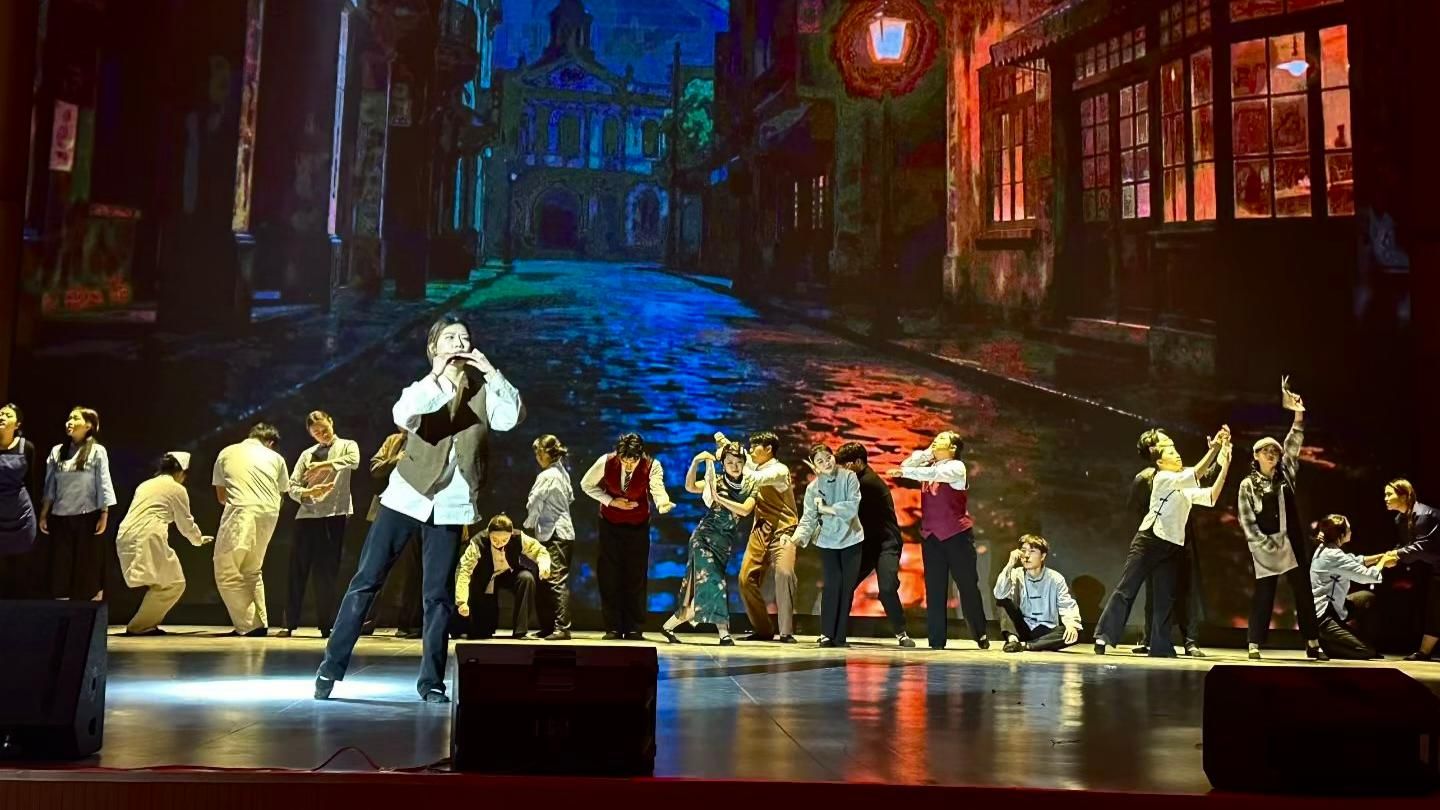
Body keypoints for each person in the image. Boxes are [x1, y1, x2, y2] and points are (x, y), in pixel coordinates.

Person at [317, 316, 523, 702]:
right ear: (433, 348)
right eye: (450, 337)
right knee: (367, 580)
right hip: (406, 496)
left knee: (438, 597)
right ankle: (331, 666)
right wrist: (437, 376)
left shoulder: (483, 392)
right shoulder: (422, 388)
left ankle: (431, 683)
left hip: (451, 505)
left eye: (464, 338)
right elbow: (404, 416)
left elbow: (510, 418)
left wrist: (491, 372)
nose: (458, 343)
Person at [1094, 425, 1233, 657]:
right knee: (1127, 588)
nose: (1176, 453)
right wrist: (1215, 448)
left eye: (1175, 449)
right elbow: (1197, 473)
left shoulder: (1182, 482)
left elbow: (1210, 496)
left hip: (1172, 545)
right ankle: (1104, 635)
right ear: (1158, 459)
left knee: (1165, 597)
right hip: (1149, 540)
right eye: (1169, 450)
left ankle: (1160, 645)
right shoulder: (1163, 477)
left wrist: (1224, 464)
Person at [1237, 378, 1326, 661]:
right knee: (1264, 593)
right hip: (1266, 545)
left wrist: (1298, 414)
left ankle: (1313, 642)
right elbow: (1247, 520)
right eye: (1266, 450)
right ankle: (1254, 643)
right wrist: (1263, 544)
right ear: (1256, 455)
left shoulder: (1286, 473)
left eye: (1274, 451)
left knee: (1303, 591)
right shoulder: (1247, 485)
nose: (1272, 454)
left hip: (1292, 541)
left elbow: (1293, 443)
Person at [889, 431, 988, 650]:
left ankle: (979, 632)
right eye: (935, 439)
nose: (935, 441)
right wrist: (926, 454)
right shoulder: (929, 466)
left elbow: (930, 473)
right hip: (931, 536)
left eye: (941, 439)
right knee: (934, 589)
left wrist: (907, 470)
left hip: (957, 536)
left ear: (953, 448)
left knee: (967, 585)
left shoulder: (956, 467)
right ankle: (936, 640)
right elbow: (908, 465)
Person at [1129, 428, 1220, 657]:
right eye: (1165, 443)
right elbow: (1135, 508)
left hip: (1181, 539)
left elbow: (1205, 478)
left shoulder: (1179, 472)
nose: (1172, 446)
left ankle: (1190, 641)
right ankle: (1151, 639)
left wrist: (1220, 454)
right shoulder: (1145, 478)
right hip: (1156, 540)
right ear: (1154, 451)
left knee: (1185, 590)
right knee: (1155, 592)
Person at [581, 433, 674, 640]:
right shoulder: (606, 462)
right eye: (625, 460)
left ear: (640, 455)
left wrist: (663, 503)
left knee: (635, 576)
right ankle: (613, 627)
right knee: (609, 575)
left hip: (638, 526)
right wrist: (610, 501)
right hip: (609, 525)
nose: (629, 465)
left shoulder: (652, 465)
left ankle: (634, 627)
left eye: (633, 460)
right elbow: (586, 485)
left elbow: (657, 488)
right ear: (619, 455)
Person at [661, 439, 754, 646]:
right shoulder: (716, 482)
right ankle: (724, 634)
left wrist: (719, 499)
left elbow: (745, 510)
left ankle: (668, 626)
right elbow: (690, 486)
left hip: (724, 543)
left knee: (705, 589)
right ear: (723, 464)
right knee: (715, 584)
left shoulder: (750, 485)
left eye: (738, 462)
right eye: (729, 463)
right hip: (703, 539)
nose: (734, 466)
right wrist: (696, 462)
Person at [280, 411, 360, 639]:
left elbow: (354, 461)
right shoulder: (307, 454)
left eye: (324, 429)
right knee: (297, 570)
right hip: (307, 516)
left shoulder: (347, 445)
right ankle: (289, 624)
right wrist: (307, 493)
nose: (322, 434)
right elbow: (292, 485)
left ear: (331, 422)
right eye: (316, 433)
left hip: (334, 514)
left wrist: (327, 465)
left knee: (327, 572)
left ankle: (326, 625)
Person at [116, 452, 213, 635]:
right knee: (173, 583)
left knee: (164, 583)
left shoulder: (145, 485)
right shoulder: (176, 489)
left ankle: (143, 625)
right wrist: (198, 540)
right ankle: (140, 626)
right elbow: (185, 522)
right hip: (148, 535)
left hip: (126, 534)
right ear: (181, 472)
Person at [722, 430, 800, 643]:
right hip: (760, 530)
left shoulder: (779, 470)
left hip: (783, 531)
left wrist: (737, 463)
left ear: (768, 449)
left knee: (784, 574)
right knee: (745, 578)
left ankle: (786, 632)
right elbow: (744, 464)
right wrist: (726, 445)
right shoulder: (754, 466)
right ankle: (763, 629)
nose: (750, 451)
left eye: (754, 446)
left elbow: (753, 476)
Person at [212, 422, 289, 636]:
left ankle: (250, 625)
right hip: (270, 513)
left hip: (241, 510)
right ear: (270, 443)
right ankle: (260, 623)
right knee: (252, 570)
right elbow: (282, 492)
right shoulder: (276, 458)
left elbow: (221, 497)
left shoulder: (227, 452)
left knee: (226, 570)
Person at [836, 441, 914, 647]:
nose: (842, 469)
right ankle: (835, 632)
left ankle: (901, 633)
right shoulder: (855, 479)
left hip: (886, 543)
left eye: (845, 465)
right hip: (866, 544)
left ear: (858, 462)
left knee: (887, 588)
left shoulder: (867, 482)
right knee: (844, 584)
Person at [40, 406, 117, 600]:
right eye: (69, 418)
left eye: (75, 418)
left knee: (86, 564)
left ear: (88, 425)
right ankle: (61, 604)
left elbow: (103, 482)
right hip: (60, 515)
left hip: (87, 515)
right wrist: (44, 513)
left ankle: (87, 606)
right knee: (61, 564)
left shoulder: (97, 451)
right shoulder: (57, 451)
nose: (69, 422)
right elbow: (50, 484)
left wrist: (104, 513)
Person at [793, 443, 864, 648]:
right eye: (820, 461)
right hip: (827, 540)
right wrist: (797, 537)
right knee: (832, 585)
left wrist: (828, 509)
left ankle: (840, 636)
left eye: (828, 457)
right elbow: (808, 518)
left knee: (847, 588)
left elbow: (852, 507)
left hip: (851, 539)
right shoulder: (813, 488)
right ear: (815, 466)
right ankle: (826, 633)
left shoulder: (849, 477)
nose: (826, 463)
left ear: (834, 457)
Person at [1310, 514, 1396, 660]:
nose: (1351, 531)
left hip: (1336, 607)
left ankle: (1358, 639)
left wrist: (1381, 556)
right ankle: (1324, 645)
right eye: (1348, 529)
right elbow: (1367, 576)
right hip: (1325, 616)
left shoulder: (1326, 549)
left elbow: (1354, 561)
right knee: (1365, 651)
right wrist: (1383, 563)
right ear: (1341, 534)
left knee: (1367, 597)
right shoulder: (1332, 555)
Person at [362, 431, 423, 638]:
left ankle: (409, 624)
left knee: (413, 571)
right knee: (376, 566)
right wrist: (396, 459)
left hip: (416, 511)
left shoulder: (428, 440)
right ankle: (366, 620)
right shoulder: (393, 441)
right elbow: (375, 468)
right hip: (388, 509)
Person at [454, 514, 552, 639]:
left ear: (511, 534)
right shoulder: (478, 542)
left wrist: (544, 565)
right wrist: (462, 601)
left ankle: (520, 631)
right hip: (485, 578)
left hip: (507, 574)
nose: (499, 543)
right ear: (488, 533)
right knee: (481, 632)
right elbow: (464, 571)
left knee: (526, 578)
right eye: (494, 539)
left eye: (505, 540)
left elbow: (539, 550)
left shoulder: (518, 537)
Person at [993, 535, 1081, 652]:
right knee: (1003, 601)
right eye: (1023, 551)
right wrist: (1009, 565)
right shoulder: (1016, 573)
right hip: (1021, 628)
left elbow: (1066, 604)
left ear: (1042, 556)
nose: (1026, 555)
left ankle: (1025, 645)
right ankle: (1013, 640)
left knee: (1074, 633)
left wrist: (1071, 624)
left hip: (1045, 630)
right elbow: (999, 594)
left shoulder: (1055, 578)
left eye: (1032, 551)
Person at [525, 435, 575, 640]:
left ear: (547, 453)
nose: (537, 457)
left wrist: (529, 523)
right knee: (546, 580)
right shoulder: (562, 472)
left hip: (555, 533)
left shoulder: (548, 475)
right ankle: (548, 626)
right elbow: (570, 497)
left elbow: (534, 502)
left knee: (554, 580)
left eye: (539, 452)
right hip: (558, 531)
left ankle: (561, 627)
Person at [1386, 479, 1440, 662]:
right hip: (1438, 568)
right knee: (1435, 610)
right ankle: (1424, 653)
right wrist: (1391, 556)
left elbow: (1423, 546)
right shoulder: (1400, 519)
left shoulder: (1423, 515)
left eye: (1389, 494)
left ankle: (1424, 652)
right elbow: (1406, 545)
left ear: (1403, 496)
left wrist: (1396, 555)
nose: (1385, 498)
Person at [0, 403, 42, 596]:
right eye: (0, 413)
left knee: (20, 565)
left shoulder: (27, 447)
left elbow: (31, 481)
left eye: (7, 415)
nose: (2, 416)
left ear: (17, 424)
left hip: (20, 512)